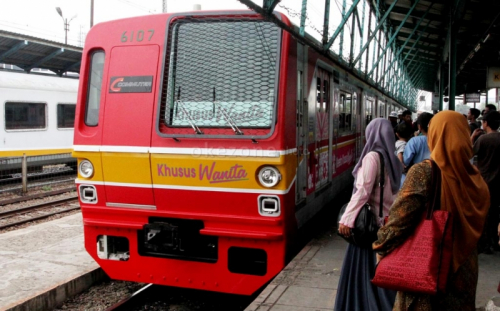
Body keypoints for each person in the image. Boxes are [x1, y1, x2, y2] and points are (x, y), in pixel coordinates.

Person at [373, 110, 489, 311]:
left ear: (434, 135)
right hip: (464, 270)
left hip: (429, 268)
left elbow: (400, 218)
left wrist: (381, 247)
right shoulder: (476, 179)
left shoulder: (424, 172)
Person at [336, 118, 403, 311]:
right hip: (387, 224)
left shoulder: (372, 157)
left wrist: (346, 219)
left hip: (370, 226)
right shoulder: (393, 159)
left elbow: (362, 192)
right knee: (381, 274)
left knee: (363, 273)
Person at [471, 111, 500, 253]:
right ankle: (495, 241)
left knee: (484, 213)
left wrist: (472, 137)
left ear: (486, 123)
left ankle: (485, 243)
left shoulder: (483, 140)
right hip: (499, 183)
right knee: (495, 212)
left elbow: (469, 153)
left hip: (484, 182)